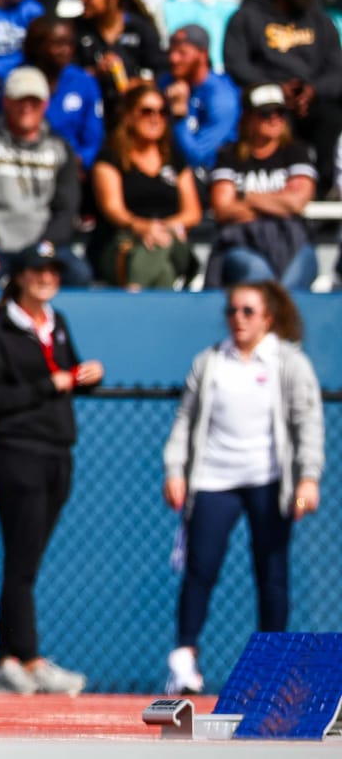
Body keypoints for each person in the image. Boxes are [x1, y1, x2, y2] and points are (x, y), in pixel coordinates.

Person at [160, 280, 324, 696]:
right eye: (233, 311)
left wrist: (308, 477)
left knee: (271, 572)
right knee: (201, 567)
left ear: (267, 317)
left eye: (248, 311)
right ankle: (184, 659)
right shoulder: (210, 362)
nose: (239, 319)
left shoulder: (288, 362)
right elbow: (185, 419)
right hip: (214, 479)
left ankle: (271, 666)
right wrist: (175, 469)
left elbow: (308, 422)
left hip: (269, 482)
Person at [0, 242, 102, 696]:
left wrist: (86, 378)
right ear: (21, 276)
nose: (48, 278)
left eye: (54, 270)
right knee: (22, 561)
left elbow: (65, 381)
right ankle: (25, 659)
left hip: (57, 452)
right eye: (39, 270)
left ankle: (11, 660)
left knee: (26, 561)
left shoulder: (58, 324)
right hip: (17, 455)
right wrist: (51, 384)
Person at [0, 69, 91, 288]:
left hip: (43, 244)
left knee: (79, 274)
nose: (27, 107)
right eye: (19, 100)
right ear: (6, 101)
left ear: (45, 104)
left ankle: (53, 323)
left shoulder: (60, 149)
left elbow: (67, 207)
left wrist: (48, 245)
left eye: (34, 101)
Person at [225, 0, 342, 192]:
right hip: (266, 101)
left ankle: (326, 189)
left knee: (331, 117)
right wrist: (275, 90)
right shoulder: (248, 17)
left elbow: (337, 70)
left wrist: (312, 90)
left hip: (312, 101)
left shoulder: (321, 21)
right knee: (269, 115)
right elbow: (236, 64)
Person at [207, 86, 319, 289]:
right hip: (242, 242)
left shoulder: (296, 151)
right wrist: (278, 203)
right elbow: (222, 209)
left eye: (280, 112)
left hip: (291, 241)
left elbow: (296, 203)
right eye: (266, 113)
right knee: (259, 275)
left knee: (293, 279)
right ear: (248, 117)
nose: (275, 119)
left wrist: (246, 197)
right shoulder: (229, 155)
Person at [92, 83, 202, 289]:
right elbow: (112, 209)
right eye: (146, 111)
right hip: (124, 240)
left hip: (172, 237)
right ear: (128, 115)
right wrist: (141, 227)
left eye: (162, 112)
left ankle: (135, 290)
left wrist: (160, 228)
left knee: (161, 239)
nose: (155, 118)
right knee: (163, 271)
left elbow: (193, 212)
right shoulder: (110, 158)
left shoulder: (175, 159)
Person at [75, 0, 169, 119]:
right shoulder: (76, 29)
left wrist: (140, 83)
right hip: (87, 112)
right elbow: (65, 75)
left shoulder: (140, 28)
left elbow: (163, 71)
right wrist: (94, 72)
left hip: (130, 114)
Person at [22, 16, 104, 173]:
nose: (65, 50)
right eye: (58, 44)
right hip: (26, 166)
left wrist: (81, 160)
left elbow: (94, 137)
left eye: (69, 43)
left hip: (71, 170)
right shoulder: (19, 81)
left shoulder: (83, 82)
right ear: (38, 46)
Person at [167, 23, 241, 173]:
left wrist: (180, 117)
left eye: (182, 53)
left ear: (203, 54)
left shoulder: (222, 96)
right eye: (171, 51)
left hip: (210, 175)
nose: (173, 58)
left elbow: (197, 158)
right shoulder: (168, 82)